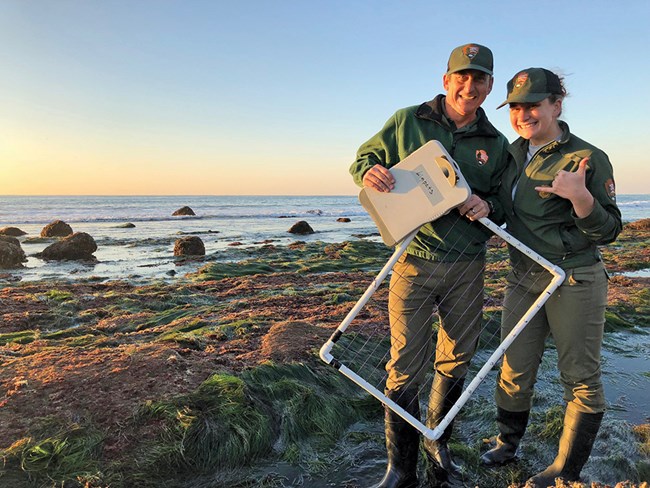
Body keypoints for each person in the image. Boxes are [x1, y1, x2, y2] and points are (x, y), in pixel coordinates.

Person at [349, 43, 510, 488]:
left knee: (456, 358)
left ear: (489, 86)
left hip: (467, 265)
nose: (470, 86)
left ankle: (438, 453)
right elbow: (364, 159)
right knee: (404, 364)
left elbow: (505, 204)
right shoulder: (407, 120)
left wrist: (488, 205)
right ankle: (400, 470)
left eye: (480, 79)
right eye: (462, 76)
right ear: (446, 80)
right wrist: (369, 172)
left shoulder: (496, 144)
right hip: (413, 261)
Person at [480, 68, 622, 487]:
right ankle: (508, 443)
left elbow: (610, 231)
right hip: (523, 276)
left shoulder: (587, 158)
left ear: (557, 105)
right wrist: (483, 206)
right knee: (513, 368)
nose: (524, 114)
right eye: (516, 107)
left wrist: (580, 197)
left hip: (574, 278)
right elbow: (507, 209)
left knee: (579, 376)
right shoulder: (510, 154)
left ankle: (566, 469)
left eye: (533, 105)